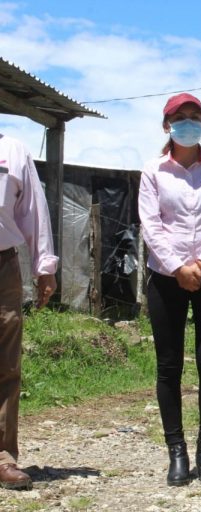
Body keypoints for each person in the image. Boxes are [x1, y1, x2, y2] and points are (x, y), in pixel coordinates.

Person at [138, 93, 201, 486]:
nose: (187, 122)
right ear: (167, 126)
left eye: (194, 116)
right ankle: (176, 452)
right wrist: (178, 265)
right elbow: (150, 223)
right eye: (179, 117)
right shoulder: (153, 171)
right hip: (166, 275)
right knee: (169, 365)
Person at [0, 133, 58, 491]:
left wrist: (45, 267)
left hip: (2, 264)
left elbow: (33, 210)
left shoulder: (12, 150)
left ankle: (3, 456)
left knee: (5, 362)